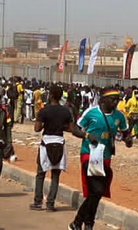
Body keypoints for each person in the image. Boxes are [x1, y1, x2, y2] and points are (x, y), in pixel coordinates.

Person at [69, 89, 132, 230]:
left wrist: (128, 140)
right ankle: (86, 224)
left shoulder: (119, 117)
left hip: (106, 157)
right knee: (96, 191)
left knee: (96, 194)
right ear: (103, 100)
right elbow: (74, 129)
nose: (116, 102)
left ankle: (79, 223)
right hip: (89, 155)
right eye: (113, 99)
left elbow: (126, 134)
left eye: (117, 99)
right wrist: (86, 136)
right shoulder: (91, 113)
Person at [29, 84, 81, 212]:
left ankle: (37, 202)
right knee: (55, 175)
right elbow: (71, 128)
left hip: (46, 143)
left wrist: (46, 123)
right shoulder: (65, 111)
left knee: (40, 174)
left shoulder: (44, 111)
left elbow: (37, 128)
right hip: (59, 143)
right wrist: (60, 126)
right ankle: (50, 204)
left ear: (51, 95)